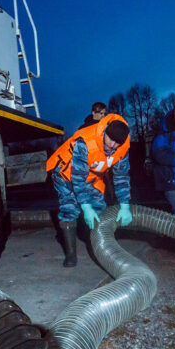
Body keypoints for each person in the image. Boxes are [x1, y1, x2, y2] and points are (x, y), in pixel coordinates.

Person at [45, 114, 134, 267]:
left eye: (117, 143)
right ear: (105, 132)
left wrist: (125, 204)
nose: (113, 146)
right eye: (111, 140)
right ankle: (70, 254)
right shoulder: (85, 141)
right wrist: (86, 207)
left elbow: (121, 177)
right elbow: (78, 177)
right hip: (66, 172)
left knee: (99, 209)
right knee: (69, 209)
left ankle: (100, 248)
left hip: (92, 175)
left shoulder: (123, 148)